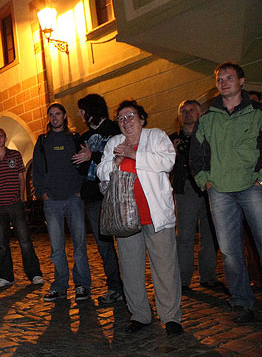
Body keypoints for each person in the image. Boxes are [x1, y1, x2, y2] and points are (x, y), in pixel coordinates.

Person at [97, 100, 183, 336]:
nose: (126, 121)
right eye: (121, 118)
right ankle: (140, 315)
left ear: (142, 118)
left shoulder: (156, 136)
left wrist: (133, 154)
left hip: (155, 214)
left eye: (131, 116)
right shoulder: (114, 143)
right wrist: (116, 160)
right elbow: (101, 172)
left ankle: (171, 317)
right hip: (125, 219)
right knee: (130, 268)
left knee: (165, 267)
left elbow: (167, 161)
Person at [190, 62, 262, 324]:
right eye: (220, 79)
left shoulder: (257, 112)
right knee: (231, 251)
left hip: (252, 187)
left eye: (230, 78)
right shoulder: (208, 117)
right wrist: (204, 181)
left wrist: (261, 178)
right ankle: (242, 302)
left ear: (242, 81)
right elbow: (196, 153)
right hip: (219, 191)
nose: (224, 82)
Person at [33, 103, 92, 302]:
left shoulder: (74, 139)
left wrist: (78, 190)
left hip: (73, 199)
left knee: (79, 244)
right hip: (52, 202)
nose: (54, 117)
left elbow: (84, 165)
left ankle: (82, 285)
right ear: (48, 117)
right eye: (51, 115)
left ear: (65, 116)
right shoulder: (42, 141)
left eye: (58, 114)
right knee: (56, 247)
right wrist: (42, 193)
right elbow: (37, 170)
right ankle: (60, 285)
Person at [72, 94, 124, 304]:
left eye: (82, 110)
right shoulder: (83, 137)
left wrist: (92, 156)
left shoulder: (114, 129)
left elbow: (119, 155)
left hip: (115, 194)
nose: (80, 114)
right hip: (93, 197)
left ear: (91, 109)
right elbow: (82, 167)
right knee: (104, 246)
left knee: (125, 242)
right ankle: (115, 288)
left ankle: (131, 289)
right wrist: (85, 159)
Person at [0, 128, 44, 288]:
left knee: (25, 240)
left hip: (15, 204)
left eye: (1, 136)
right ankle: (6, 276)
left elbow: (21, 177)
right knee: (2, 243)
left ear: (5, 138)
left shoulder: (15, 155)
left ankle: (34, 274)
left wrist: (21, 198)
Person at [169, 100, 222, 292]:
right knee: (184, 236)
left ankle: (209, 276)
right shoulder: (172, 139)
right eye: (183, 111)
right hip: (185, 190)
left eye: (191, 110)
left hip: (209, 187)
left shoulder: (210, 134)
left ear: (201, 113)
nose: (187, 114)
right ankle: (183, 280)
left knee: (210, 235)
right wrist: (172, 153)